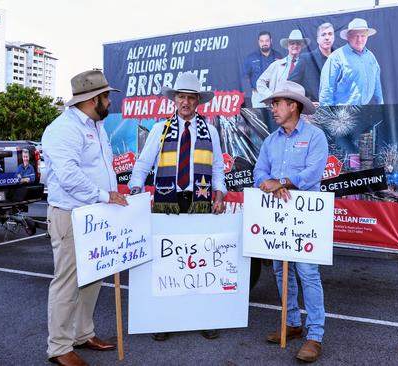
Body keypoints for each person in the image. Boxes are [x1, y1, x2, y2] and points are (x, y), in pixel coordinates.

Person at [128, 71, 227, 340]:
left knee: (202, 261)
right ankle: (165, 319)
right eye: (181, 97)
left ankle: (204, 316)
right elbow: (143, 164)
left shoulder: (211, 131)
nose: (185, 102)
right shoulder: (160, 129)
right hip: (167, 202)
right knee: (167, 264)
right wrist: (136, 189)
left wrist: (219, 191)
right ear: (175, 100)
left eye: (191, 98)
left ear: (198, 102)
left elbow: (217, 166)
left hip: (200, 203)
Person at [42, 69, 128, 366]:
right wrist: (107, 196)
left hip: (94, 214)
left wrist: (109, 197)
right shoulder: (63, 129)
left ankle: (83, 333)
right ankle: (60, 347)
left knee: (92, 277)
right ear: (93, 99)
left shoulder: (95, 125)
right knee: (67, 281)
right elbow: (68, 177)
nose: (109, 101)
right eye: (106, 96)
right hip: (70, 214)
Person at [252, 80, 328, 363]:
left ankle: (315, 335)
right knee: (281, 271)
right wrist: (269, 182)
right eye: (272, 104)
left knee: (308, 272)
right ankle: (293, 323)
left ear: (292, 105)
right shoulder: (271, 141)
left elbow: (312, 174)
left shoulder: (316, 136)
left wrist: (281, 182)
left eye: (277, 103)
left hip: (305, 218)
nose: (272, 108)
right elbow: (259, 171)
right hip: (278, 217)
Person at [319, 18, 383, 106]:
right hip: (342, 115)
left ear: (367, 37)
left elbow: (377, 86)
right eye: (355, 36)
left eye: (363, 35)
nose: (359, 39)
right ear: (348, 37)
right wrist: (329, 117)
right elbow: (326, 90)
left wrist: (381, 108)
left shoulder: (371, 57)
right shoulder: (336, 57)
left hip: (365, 113)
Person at [256, 29, 309, 106]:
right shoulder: (276, 65)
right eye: (292, 43)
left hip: (298, 107)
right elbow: (260, 82)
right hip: (279, 106)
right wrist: (271, 97)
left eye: (298, 43)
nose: (295, 46)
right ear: (288, 46)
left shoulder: (306, 65)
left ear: (301, 46)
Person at [288, 22, 335, 104]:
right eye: (323, 34)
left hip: (338, 111)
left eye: (330, 34)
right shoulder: (306, 59)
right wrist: (306, 103)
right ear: (317, 39)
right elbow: (290, 85)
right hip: (314, 113)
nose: (327, 37)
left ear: (333, 37)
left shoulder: (340, 59)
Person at [243, 31, 283, 108]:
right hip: (258, 95)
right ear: (258, 42)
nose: (264, 43)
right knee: (259, 119)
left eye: (267, 40)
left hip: (275, 95)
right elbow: (245, 78)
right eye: (262, 41)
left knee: (276, 119)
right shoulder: (250, 58)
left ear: (271, 41)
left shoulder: (278, 56)